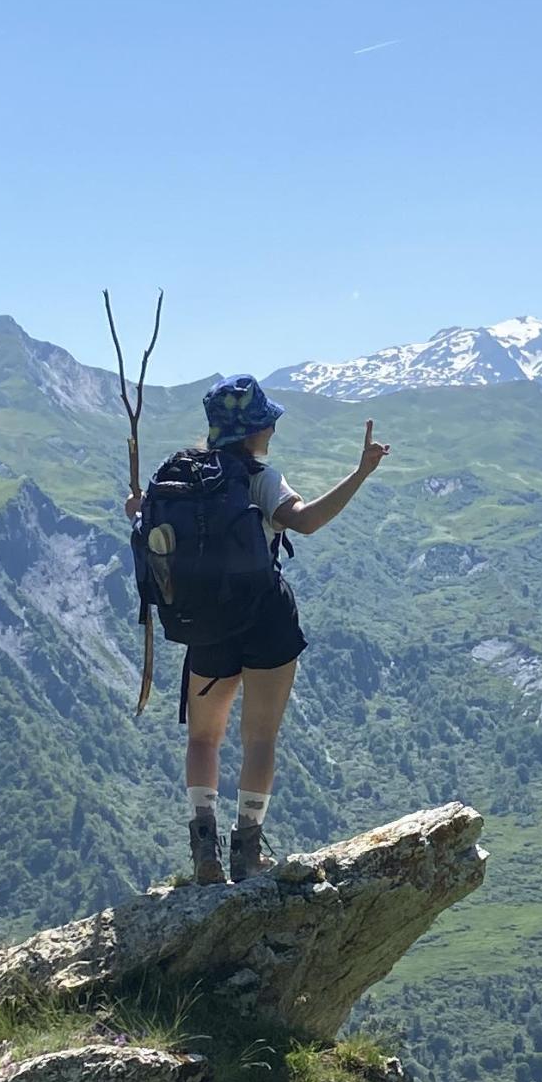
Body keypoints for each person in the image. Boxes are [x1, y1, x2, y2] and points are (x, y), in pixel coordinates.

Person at [152, 376, 390, 884]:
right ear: (255, 429)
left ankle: (205, 856)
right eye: (269, 422)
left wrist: (137, 507)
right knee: (259, 739)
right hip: (266, 617)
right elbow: (303, 522)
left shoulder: (179, 477)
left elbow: (148, 530)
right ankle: (247, 851)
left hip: (206, 625)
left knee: (202, 739)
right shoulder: (260, 478)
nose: (274, 430)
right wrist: (360, 473)